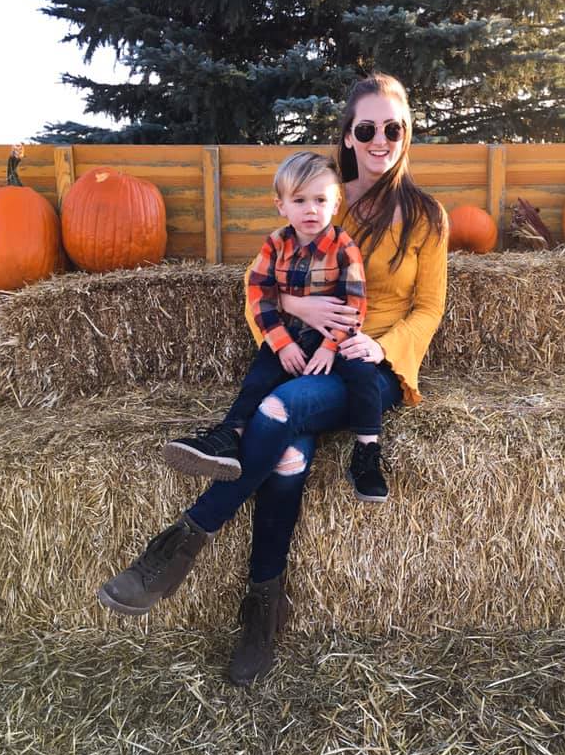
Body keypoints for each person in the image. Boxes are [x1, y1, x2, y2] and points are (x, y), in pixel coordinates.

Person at [97, 73, 448, 687]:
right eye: (366, 128)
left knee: (280, 412)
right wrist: (299, 310)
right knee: (287, 460)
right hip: (308, 350)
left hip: (369, 366)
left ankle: (183, 539)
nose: (380, 140)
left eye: (392, 127)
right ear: (348, 136)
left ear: (405, 132)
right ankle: (264, 608)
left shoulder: (426, 216)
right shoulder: (323, 194)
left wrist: (379, 344)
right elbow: (259, 282)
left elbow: (428, 307)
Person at [161, 150, 389, 503]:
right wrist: (282, 343)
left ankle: (367, 453)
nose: (311, 209)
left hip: (333, 335)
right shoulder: (275, 244)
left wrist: (331, 347)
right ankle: (229, 435)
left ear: (335, 203)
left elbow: (355, 304)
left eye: (320, 200)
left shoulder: (344, 247)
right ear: (281, 205)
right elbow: (260, 294)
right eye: (299, 200)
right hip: (291, 335)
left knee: (362, 372)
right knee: (261, 374)